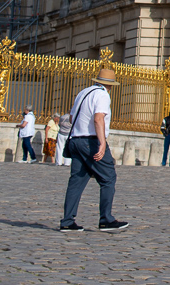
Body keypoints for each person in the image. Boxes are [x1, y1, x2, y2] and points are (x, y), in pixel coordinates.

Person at [57, 63, 127, 232]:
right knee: (108, 178)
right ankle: (106, 219)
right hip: (91, 141)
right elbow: (98, 118)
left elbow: (72, 117)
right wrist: (102, 143)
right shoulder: (102, 95)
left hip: (75, 140)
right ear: (110, 85)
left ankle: (67, 220)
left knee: (76, 181)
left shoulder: (83, 92)